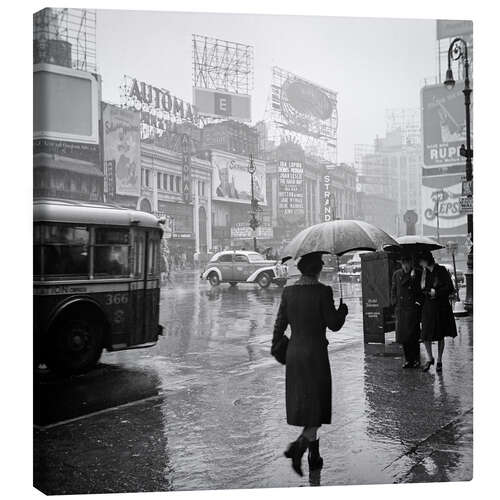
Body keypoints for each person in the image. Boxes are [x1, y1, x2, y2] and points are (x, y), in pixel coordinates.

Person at [271, 252, 348, 476]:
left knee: (309, 408)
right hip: (316, 356)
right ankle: (299, 448)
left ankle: (314, 456)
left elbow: (278, 326)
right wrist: (342, 311)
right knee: (317, 407)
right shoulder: (323, 291)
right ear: (317, 269)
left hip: (295, 355)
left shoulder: (288, 292)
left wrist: (279, 349)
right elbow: (334, 324)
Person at [418, 250, 458, 372]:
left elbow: (450, 288)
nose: (420, 263)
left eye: (421, 261)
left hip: (441, 307)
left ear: (427, 260)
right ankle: (430, 358)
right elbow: (421, 290)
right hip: (428, 307)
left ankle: (439, 360)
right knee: (425, 335)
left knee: (440, 335)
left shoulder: (441, 270)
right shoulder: (423, 273)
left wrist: (437, 292)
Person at [391, 254, 422, 369]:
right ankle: (408, 359)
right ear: (401, 264)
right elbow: (393, 289)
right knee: (404, 337)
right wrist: (394, 302)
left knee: (413, 336)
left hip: (412, 309)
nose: (405, 266)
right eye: (403, 263)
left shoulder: (416, 274)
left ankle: (416, 360)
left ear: (410, 263)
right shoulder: (396, 274)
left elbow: (420, 291)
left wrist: (417, 303)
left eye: (407, 263)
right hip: (401, 309)